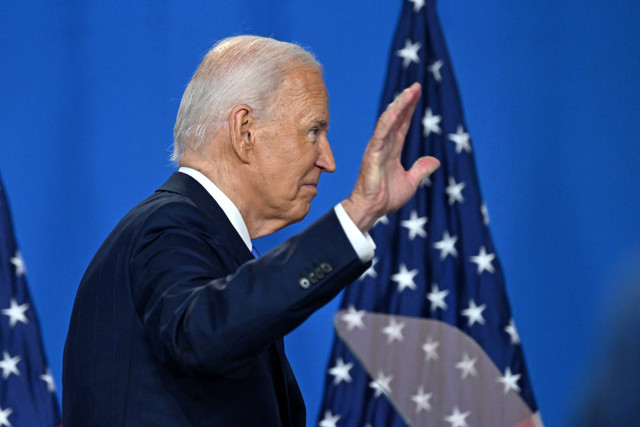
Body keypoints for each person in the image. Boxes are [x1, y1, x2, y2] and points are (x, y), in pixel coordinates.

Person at [62, 35, 439, 426]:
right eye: (313, 131)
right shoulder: (168, 228)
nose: (328, 161)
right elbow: (203, 332)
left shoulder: (207, 245)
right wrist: (358, 212)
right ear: (244, 131)